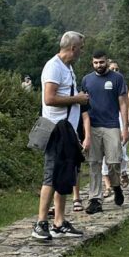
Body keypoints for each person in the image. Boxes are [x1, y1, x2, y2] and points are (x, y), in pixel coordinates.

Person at [33, 31, 90, 242]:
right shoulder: (54, 67)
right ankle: (40, 223)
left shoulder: (68, 67)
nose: (81, 52)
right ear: (73, 48)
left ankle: (59, 221)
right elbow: (49, 98)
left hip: (67, 130)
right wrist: (78, 98)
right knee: (51, 175)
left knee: (64, 175)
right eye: (81, 48)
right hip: (56, 129)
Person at [81, 50, 129, 214]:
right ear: (92, 63)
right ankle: (95, 199)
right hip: (93, 126)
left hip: (112, 125)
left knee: (114, 162)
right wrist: (85, 133)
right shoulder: (86, 80)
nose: (98, 65)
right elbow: (83, 106)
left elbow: (123, 103)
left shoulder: (117, 79)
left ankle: (116, 187)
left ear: (106, 62)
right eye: (95, 63)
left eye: (101, 62)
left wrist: (126, 127)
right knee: (94, 163)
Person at [102, 60, 129, 195]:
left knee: (121, 152)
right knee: (104, 155)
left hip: (119, 119)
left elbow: (126, 105)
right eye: (112, 68)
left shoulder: (121, 84)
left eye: (117, 69)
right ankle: (108, 186)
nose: (115, 71)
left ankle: (123, 171)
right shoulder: (100, 83)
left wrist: (128, 125)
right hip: (104, 121)